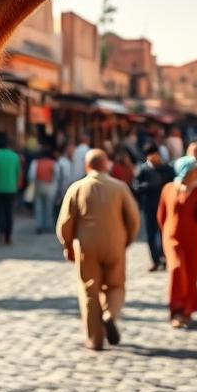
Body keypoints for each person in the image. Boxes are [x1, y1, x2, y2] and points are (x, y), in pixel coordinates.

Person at [57, 149, 141, 351]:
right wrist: (127, 240)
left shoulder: (77, 188)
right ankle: (110, 314)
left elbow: (65, 223)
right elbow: (134, 219)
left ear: (87, 166)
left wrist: (67, 245)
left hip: (87, 246)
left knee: (89, 291)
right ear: (107, 165)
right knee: (116, 286)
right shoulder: (120, 187)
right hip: (114, 244)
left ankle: (94, 339)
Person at [158, 156, 197, 327]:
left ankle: (186, 310)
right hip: (172, 239)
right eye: (195, 170)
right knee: (176, 269)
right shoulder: (168, 189)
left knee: (190, 274)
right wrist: (167, 232)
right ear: (187, 172)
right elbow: (161, 215)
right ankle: (175, 309)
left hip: (194, 240)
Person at [132, 145, 171, 271]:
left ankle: (164, 257)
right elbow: (136, 187)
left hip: (165, 206)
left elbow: (172, 184)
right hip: (149, 207)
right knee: (150, 235)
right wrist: (148, 186)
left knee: (164, 233)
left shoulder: (167, 169)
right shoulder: (143, 170)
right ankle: (155, 260)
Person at [29, 148, 59, 234]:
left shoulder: (35, 163)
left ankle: (39, 226)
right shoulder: (54, 163)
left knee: (39, 207)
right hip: (50, 186)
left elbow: (31, 175)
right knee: (49, 207)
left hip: (39, 185)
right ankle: (48, 226)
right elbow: (56, 176)